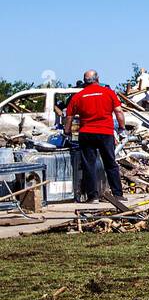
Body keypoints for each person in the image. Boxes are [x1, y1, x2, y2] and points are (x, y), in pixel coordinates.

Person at [64, 70, 125, 202]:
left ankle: (93, 196)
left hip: (87, 134)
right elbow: (119, 111)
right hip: (105, 133)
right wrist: (121, 128)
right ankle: (118, 194)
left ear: (84, 81)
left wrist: (67, 132)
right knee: (110, 163)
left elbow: (69, 116)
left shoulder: (78, 96)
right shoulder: (109, 93)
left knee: (89, 165)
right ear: (98, 79)